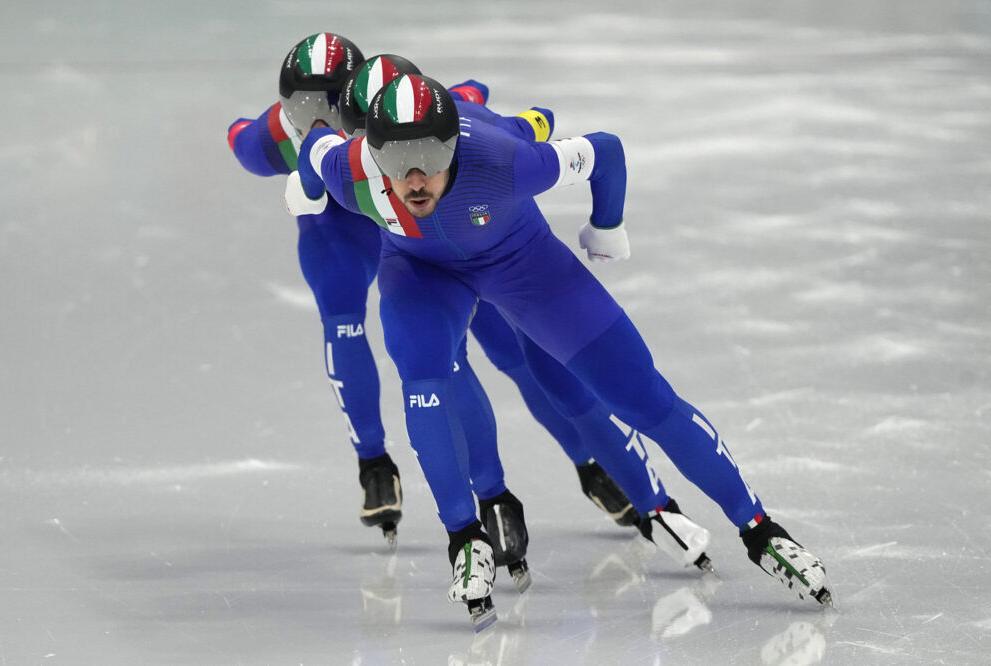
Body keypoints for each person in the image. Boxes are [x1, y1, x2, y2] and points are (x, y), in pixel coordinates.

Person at [285, 73, 833, 629]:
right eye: (397, 160)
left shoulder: (505, 161)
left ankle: (759, 527)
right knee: (424, 375)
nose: (415, 176)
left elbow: (606, 150)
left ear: (453, 144)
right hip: (421, 271)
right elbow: (313, 150)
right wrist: (306, 191)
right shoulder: (348, 166)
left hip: (518, 260)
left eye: (430, 153)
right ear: (372, 152)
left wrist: (606, 226)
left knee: (642, 398)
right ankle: (464, 536)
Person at [228, 35, 667, 576]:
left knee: (511, 350)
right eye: (301, 111)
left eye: (330, 109)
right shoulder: (275, 138)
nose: (316, 124)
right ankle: (391, 464)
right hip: (350, 226)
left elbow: (472, 106)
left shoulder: (391, 128)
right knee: (395, 340)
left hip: (423, 233)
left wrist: (505, 118)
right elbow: (244, 141)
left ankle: (582, 460)